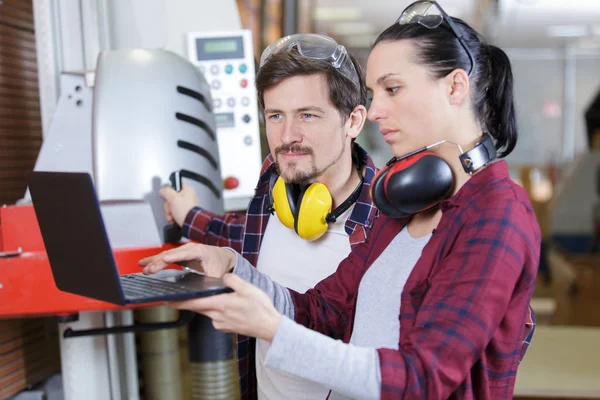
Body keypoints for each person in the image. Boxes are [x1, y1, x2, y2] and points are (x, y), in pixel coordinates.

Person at [141, 2, 541, 398]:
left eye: (393, 88)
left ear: (455, 87)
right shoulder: (402, 202)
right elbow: (323, 310)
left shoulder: (498, 214)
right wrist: (234, 268)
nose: (377, 109)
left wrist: (274, 332)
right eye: (373, 91)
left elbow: (425, 378)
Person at [153, 34, 380, 400]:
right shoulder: (274, 180)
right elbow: (247, 237)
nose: (288, 136)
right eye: (276, 115)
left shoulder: (386, 223)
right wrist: (190, 217)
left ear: (353, 121)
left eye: (308, 114)